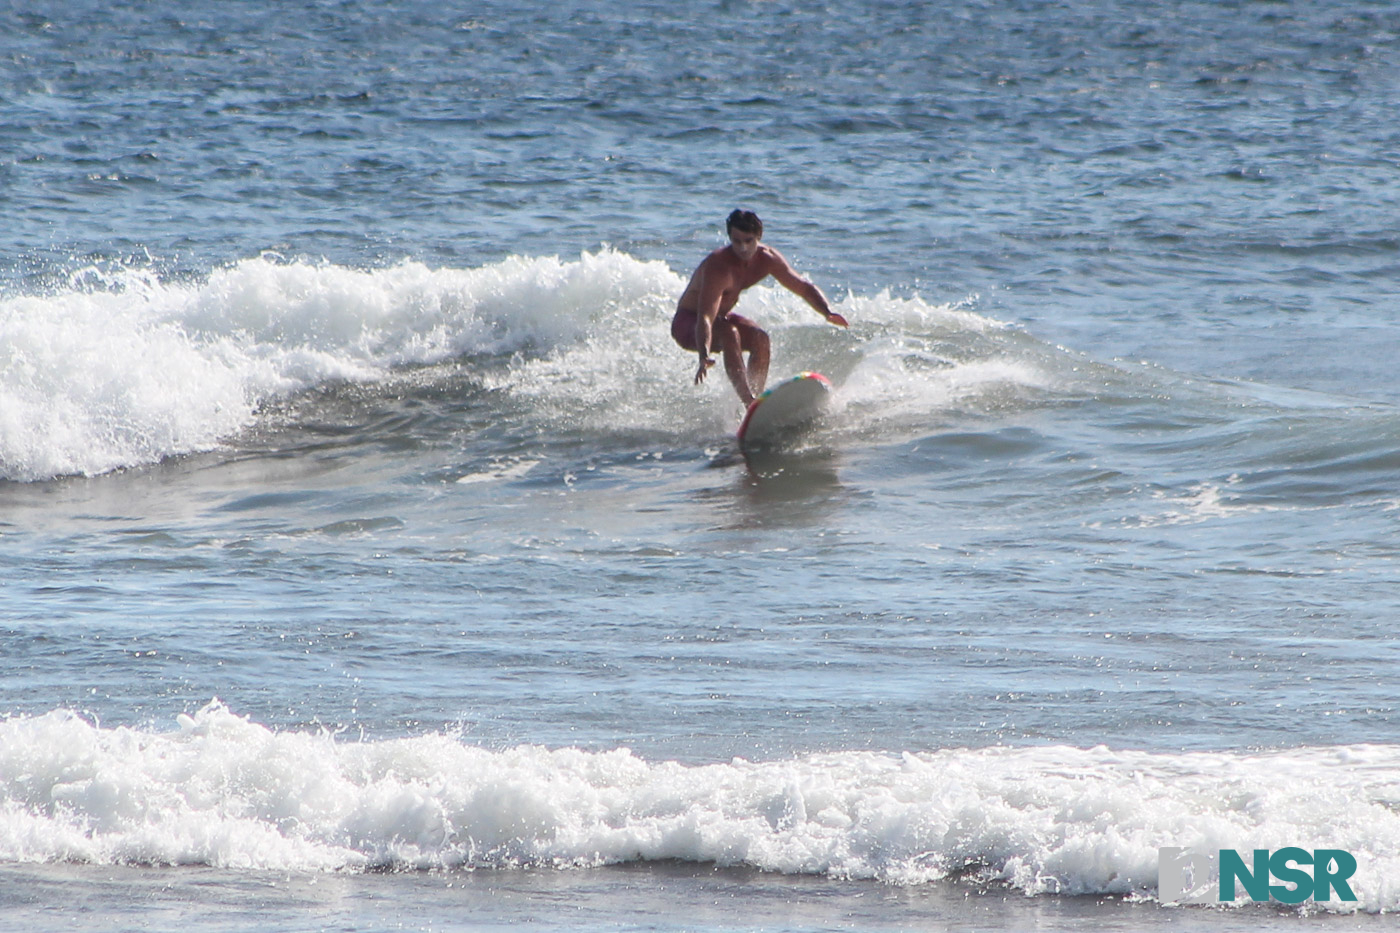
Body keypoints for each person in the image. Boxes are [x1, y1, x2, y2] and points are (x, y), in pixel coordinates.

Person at [671, 210, 848, 406]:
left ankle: (756, 401)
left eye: (749, 240)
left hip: (719, 320)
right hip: (689, 324)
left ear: (759, 237)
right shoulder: (719, 267)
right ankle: (748, 401)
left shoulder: (768, 259)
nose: (743, 248)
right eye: (736, 241)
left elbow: (803, 287)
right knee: (730, 333)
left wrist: (827, 311)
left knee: (760, 338)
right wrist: (704, 355)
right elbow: (705, 317)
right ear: (729, 237)